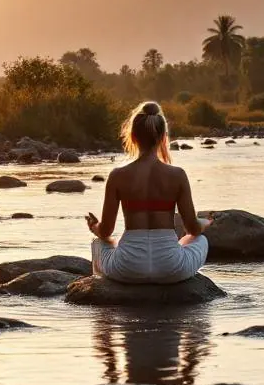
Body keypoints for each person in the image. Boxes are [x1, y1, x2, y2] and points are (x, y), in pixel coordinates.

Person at [85, 101, 209, 284]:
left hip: (127, 267)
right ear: (163, 138)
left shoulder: (117, 176)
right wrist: (207, 222)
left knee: (99, 243)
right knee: (200, 240)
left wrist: (93, 226)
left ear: (133, 137)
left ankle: (105, 307)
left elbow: (105, 231)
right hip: (171, 267)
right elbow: (192, 228)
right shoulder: (178, 175)